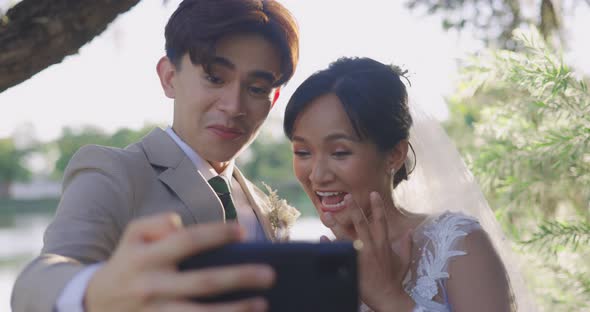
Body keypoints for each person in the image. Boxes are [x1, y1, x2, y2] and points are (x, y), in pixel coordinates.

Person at [11, 1, 299, 311]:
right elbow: (34, 286)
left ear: (275, 98)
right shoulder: (113, 173)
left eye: (256, 88)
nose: (233, 106)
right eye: (215, 78)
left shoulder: (260, 202)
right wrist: (94, 290)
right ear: (169, 76)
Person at [283, 57, 520, 311]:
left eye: (340, 152)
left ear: (395, 154)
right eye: (303, 152)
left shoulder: (457, 244)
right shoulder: (304, 262)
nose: (317, 175)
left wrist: (389, 297)